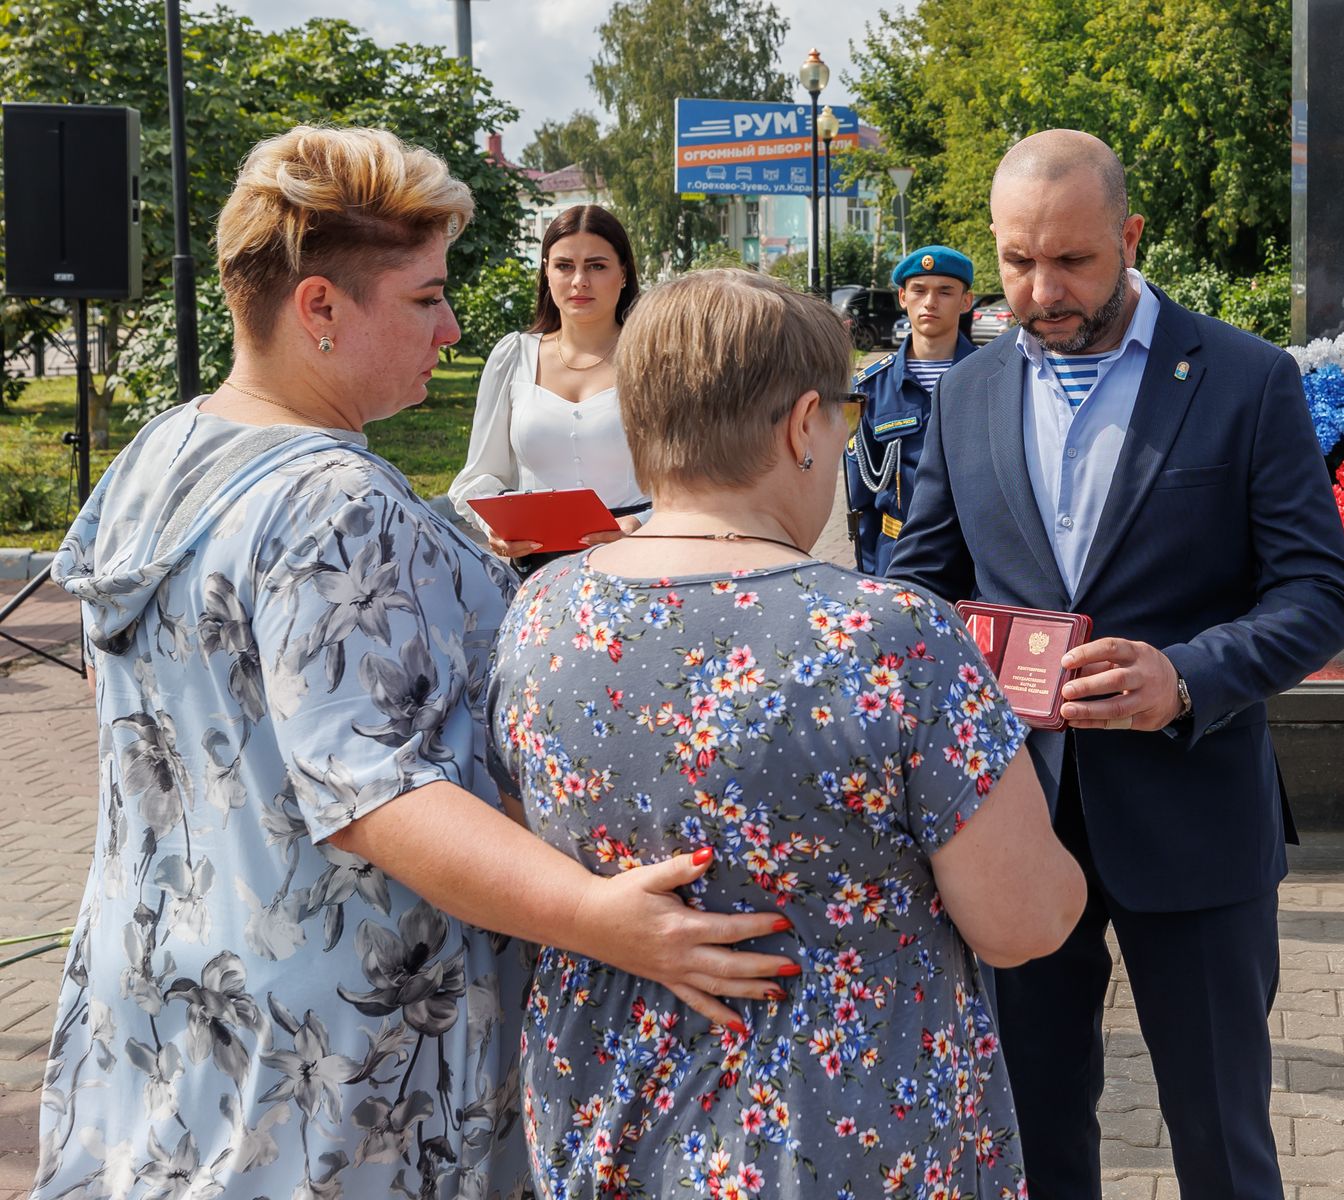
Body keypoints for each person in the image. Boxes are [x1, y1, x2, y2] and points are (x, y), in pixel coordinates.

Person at [37, 127, 792, 1200]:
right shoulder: (333, 503)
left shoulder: (163, 450)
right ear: (320, 309)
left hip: (172, 982)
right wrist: (606, 922)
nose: (451, 328)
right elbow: (378, 797)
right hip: (340, 1047)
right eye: (427, 297)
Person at [486, 268, 1086, 1198]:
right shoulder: (889, 636)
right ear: (805, 425)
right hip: (838, 1134)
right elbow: (1024, 922)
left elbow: (521, 840)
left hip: (602, 1114)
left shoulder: (540, 612)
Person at [887, 130, 1344, 1200]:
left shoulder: (1246, 379)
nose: (1041, 291)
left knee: (1222, 1140)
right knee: (1031, 1133)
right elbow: (918, 587)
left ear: (1132, 236)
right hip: (1011, 822)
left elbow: (1319, 593)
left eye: (1073, 261)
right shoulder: (967, 391)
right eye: (1017, 262)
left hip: (1194, 823)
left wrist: (1185, 677)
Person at [451, 204, 653, 571]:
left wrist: (640, 524)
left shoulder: (655, 359)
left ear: (623, 273)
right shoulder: (514, 356)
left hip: (636, 563)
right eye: (564, 266)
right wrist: (495, 527)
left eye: (597, 266)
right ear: (546, 272)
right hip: (536, 572)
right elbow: (478, 476)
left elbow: (698, 481)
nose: (580, 281)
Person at [844, 245, 979, 573]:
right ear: (903, 297)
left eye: (945, 291)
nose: (930, 302)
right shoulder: (870, 389)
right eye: (919, 290)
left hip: (974, 558)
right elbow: (861, 500)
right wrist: (872, 576)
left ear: (966, 301)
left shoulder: (993, 378)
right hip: (898, 556)